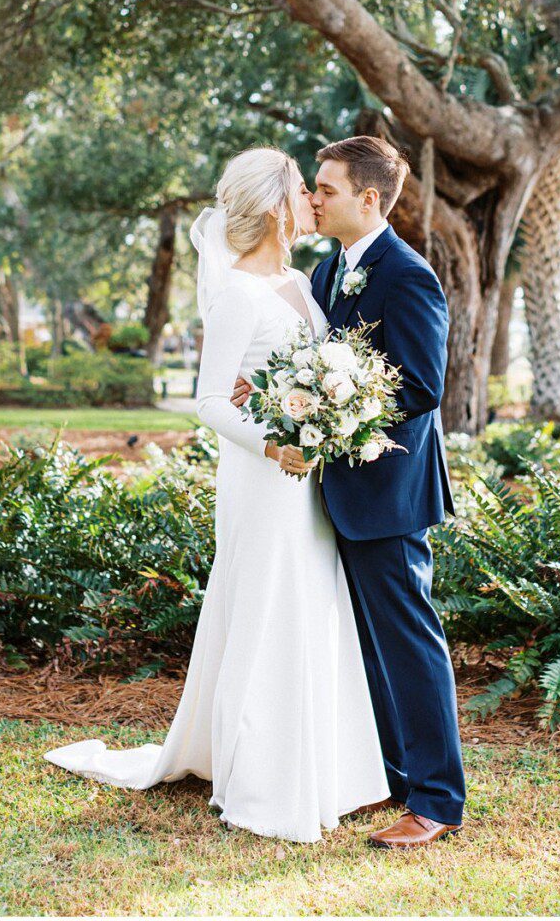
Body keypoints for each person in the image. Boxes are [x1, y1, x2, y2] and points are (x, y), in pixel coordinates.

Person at [43, 147, 392, 844]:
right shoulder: (236, 293)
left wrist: (329, 414)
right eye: (302, 189)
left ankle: (329, 769)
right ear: (275, 208)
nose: (312, 200)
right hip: (264, 479)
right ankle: (260, 777)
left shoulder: (300, 280)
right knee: (265, 609)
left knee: (307, 607)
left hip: (306, 479)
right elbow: (208, 400)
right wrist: (273, 443)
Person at [231, 134, 465, 849]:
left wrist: (339, 406)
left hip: (390, 494)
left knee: (408, 645)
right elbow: (316, 360)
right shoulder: (331, 269)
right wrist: (275, 391)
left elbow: (422, 386)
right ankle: (395, 779)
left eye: (326, 189)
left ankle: (435, 803)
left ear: (369, 199)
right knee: (369, 649)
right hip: (338, 496)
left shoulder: (407, 274)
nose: (312, 198)